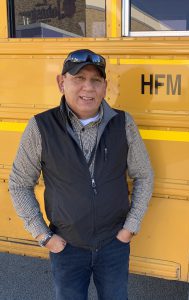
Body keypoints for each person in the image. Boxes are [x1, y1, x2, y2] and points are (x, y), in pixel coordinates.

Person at [9, 49, 154, 300]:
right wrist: (44, 236)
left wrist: (130, 228)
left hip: (113, 245)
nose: (88, 88)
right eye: (78, 78)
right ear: (61, 82)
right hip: (67, 247)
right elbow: (20, 183)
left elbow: (144, 175)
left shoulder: (123, 123)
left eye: (95, 80)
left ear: (105, 86)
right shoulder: (41, 126)